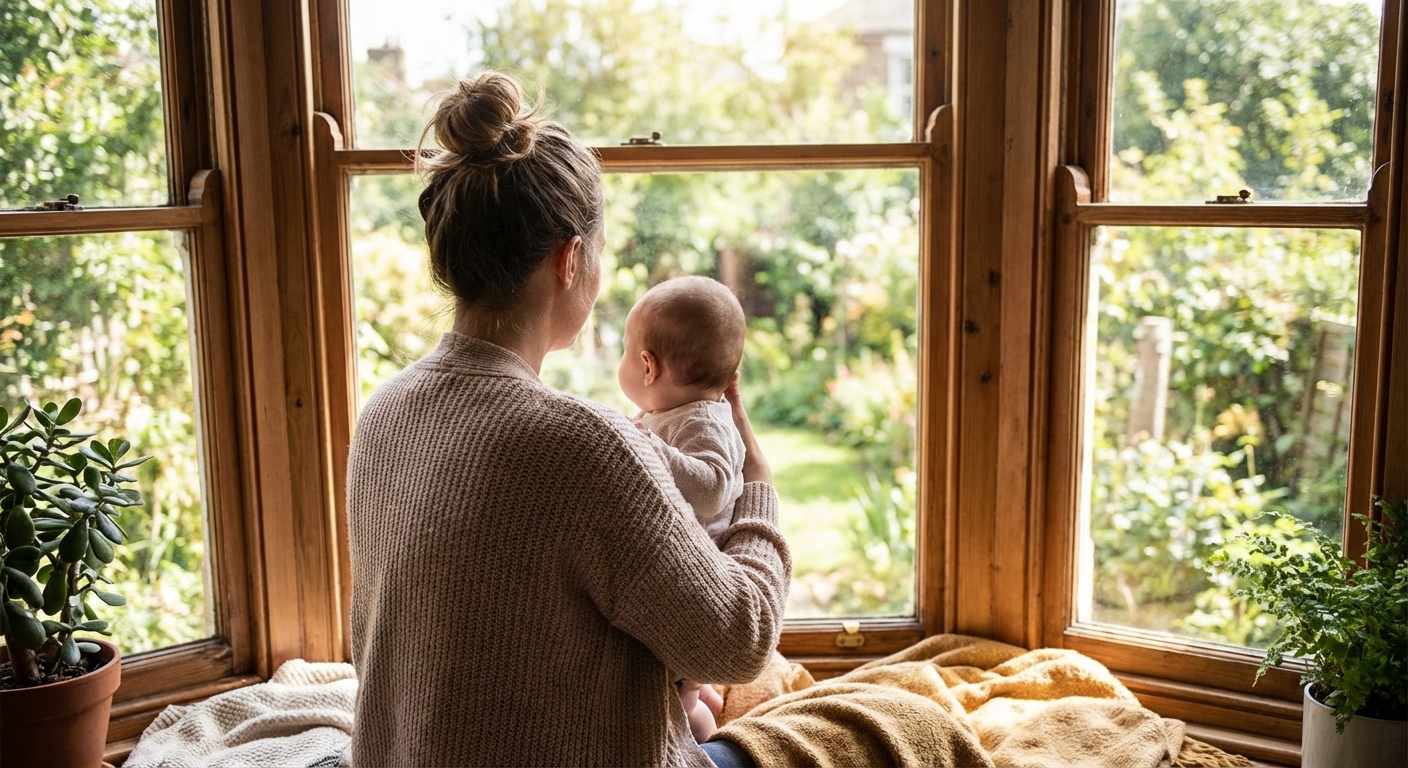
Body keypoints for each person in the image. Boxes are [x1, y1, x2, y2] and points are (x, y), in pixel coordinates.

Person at [344, 71, 789, 768]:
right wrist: (758, 488)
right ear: (569, 258)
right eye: (600, 254)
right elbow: (739, 642)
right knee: (880, 722)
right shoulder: (586, 449)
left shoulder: (384, 414)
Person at [617, 276, 750, 742]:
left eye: (624, 351)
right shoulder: (667, 416)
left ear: (648, 367)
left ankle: (701, 731)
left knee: (677, 695)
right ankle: (702, 694)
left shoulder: (703, 420)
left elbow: (713, 487)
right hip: (677, 572)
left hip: (697, 586)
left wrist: (652, 449)